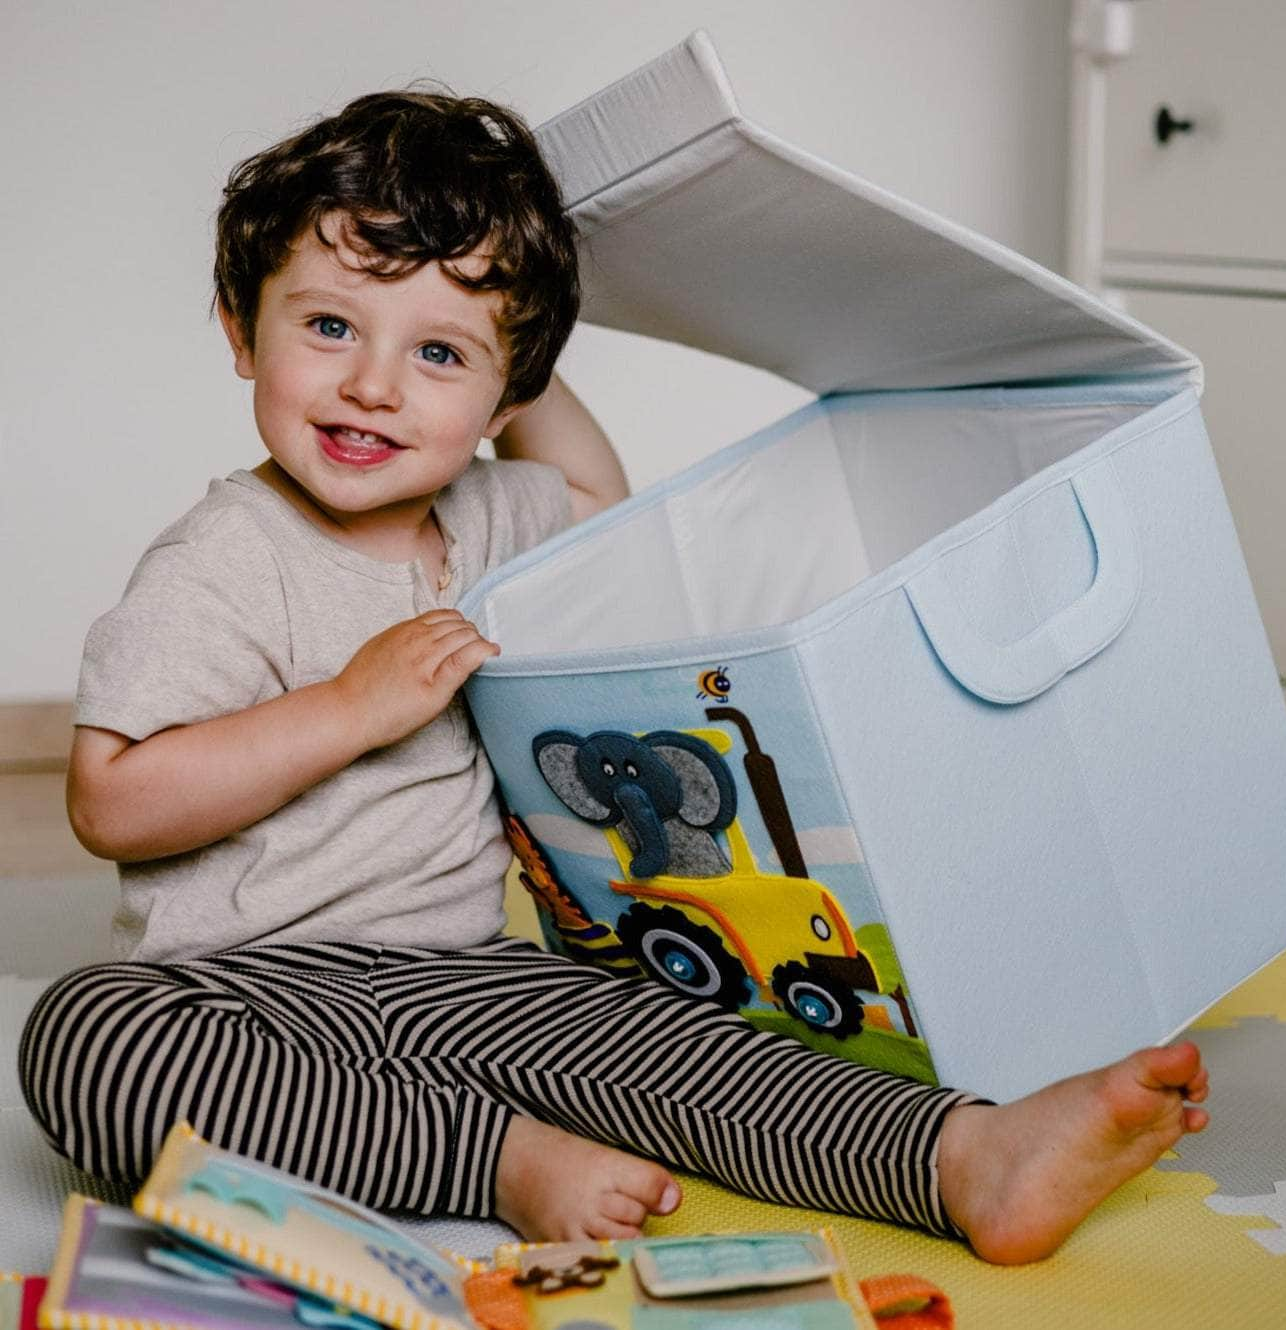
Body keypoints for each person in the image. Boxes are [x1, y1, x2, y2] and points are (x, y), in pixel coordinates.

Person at [18, 89, 1209, 1266]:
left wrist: (521, 334)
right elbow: (112, 798)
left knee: (665, 1027)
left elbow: (594, 499)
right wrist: (345, 709)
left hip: (463, 973)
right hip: (244, 995)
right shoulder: (222, 559)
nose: (374, 385)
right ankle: (490, 1159)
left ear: (504, 391)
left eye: (440, 353)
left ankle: (960, 1160)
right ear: (240, 327)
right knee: (86, 1040)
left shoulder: (484, 516)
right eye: (328, 327)